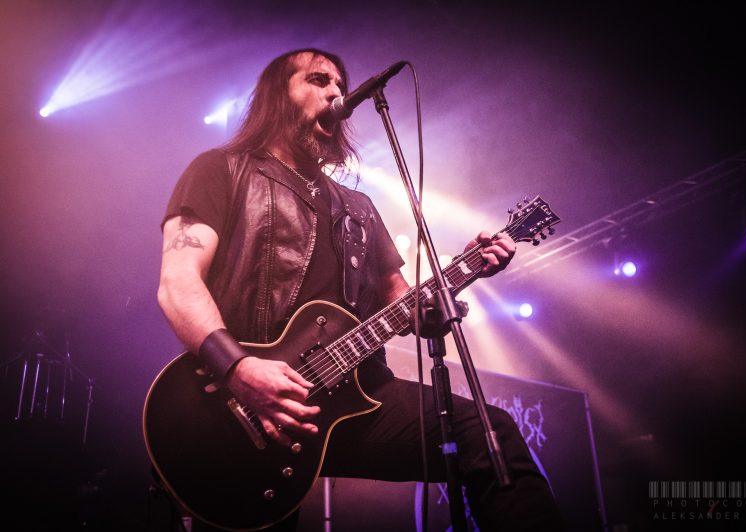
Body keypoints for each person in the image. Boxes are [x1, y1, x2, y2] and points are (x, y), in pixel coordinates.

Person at [157, 48, 563, 531]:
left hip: (356, 399)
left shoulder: (358, 208)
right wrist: (239, 368)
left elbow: (406, 305)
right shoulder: (223, 169)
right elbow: (178, 282)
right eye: (319, 80)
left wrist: (467, 271)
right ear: (277, 96)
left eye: (340, 85)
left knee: (488, 435)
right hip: (233, 408)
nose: (336, 93)